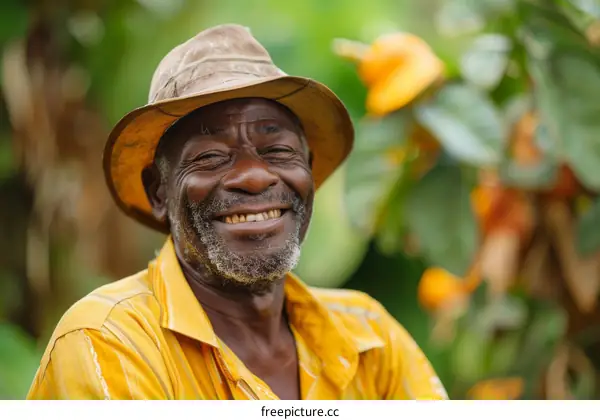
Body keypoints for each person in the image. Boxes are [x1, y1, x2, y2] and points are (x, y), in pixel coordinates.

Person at [27, 24, 448, 400]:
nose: (254, 176)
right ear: (159, 192)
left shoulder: (370, 337)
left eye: (277, 150)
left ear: (308, 171)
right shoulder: (109, 341)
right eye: (210, 156)